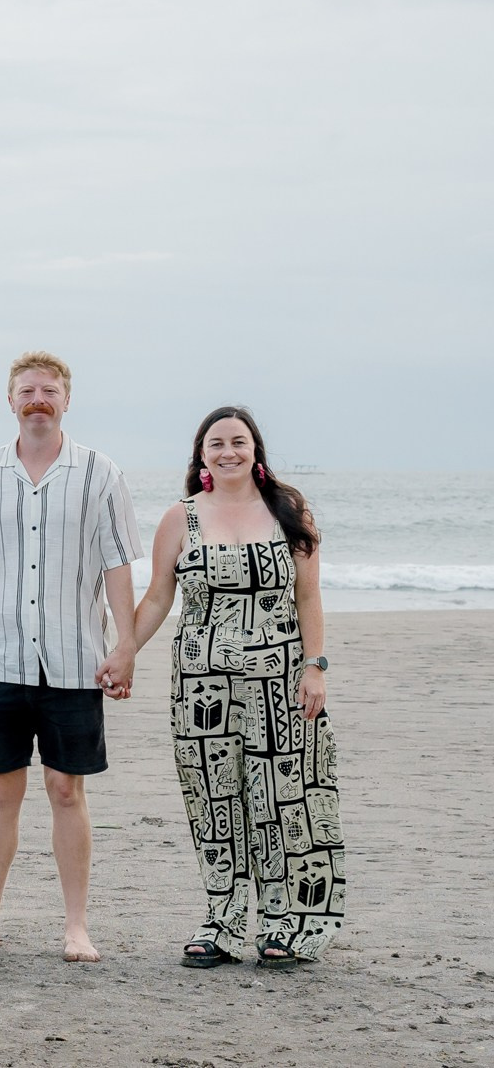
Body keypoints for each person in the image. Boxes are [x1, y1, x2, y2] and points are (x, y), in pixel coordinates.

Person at [103, 407, 344, 968]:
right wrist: (124, 652)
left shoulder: (289, 510)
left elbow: (309, 599)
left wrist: (316, 667)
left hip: (281, 680)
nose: (228, 451)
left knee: (283, 799)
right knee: (212, 799)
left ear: (256, 450)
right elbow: (160, 598)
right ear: (201, 454)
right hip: (200, 682)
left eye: (238, 442)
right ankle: (224, 922)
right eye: (216, 443)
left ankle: (285, 924)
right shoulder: (180, 518)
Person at [0, 351, 140, 962]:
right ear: (11, 400)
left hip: (74, 659)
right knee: (1, 791)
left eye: (49, 390)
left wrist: (124, 644)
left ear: (66, 400)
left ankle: (76, 926)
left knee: (66, 790)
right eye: (27, 390)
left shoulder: (100, 472)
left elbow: (118, 564)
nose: (38, 400)